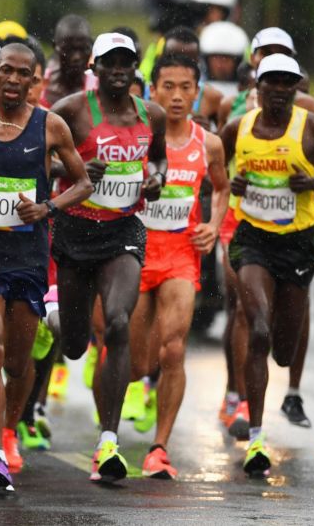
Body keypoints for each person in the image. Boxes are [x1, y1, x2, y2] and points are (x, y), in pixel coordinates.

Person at [218, 53, 314, 476]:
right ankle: (257, 438)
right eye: (272, 82)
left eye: (288, 83)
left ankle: (273, 390)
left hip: (297, 244)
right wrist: (234, 184)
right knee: (257, 326)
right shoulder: (237, 128)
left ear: (297, 87)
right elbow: (216, 176)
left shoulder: (312, 128)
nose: (280, 90)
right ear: (257, 87)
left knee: (282, 350)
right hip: (252, 240)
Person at [0, 42, 93, 493]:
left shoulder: (50, 125)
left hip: (28, 257)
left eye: (24, 74)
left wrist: (47, 208)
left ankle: (8, 429)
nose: (14, 80)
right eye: (7, 72)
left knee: (19, 363)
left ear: (36, 81)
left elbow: (84, 182)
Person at [49, 32, 167, 483]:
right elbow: (37, 162)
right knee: (77, 345)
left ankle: (108, 440)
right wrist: (73, 169)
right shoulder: (71, 111)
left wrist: (155, 178)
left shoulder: (149, 113)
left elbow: (157, 161)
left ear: (135, 68)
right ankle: (55, 316)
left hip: (124, 231)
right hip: (75, 231)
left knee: (118, 321)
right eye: (110, 62)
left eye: (126, 62)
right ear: (94, 68)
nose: (119, 70)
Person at [129, 53, 230, 479]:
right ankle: (110, 434)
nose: (176, 96)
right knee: (135, 362)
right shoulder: (134, 138)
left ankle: (159, 447)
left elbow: (222, 188)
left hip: (180, 256)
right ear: (152, 90)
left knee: (174, 349)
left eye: (186, 87)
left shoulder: (208, 143)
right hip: (134, 253)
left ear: (197, 91)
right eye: (167, 86)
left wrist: (213, 224)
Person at [42, 15, 93, 106]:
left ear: (91, 46)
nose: (76, 57)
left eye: (82, 49)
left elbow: (98, 120)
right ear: (55, 47)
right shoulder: (39, 83)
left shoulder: (97, 88)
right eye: (68, 49)